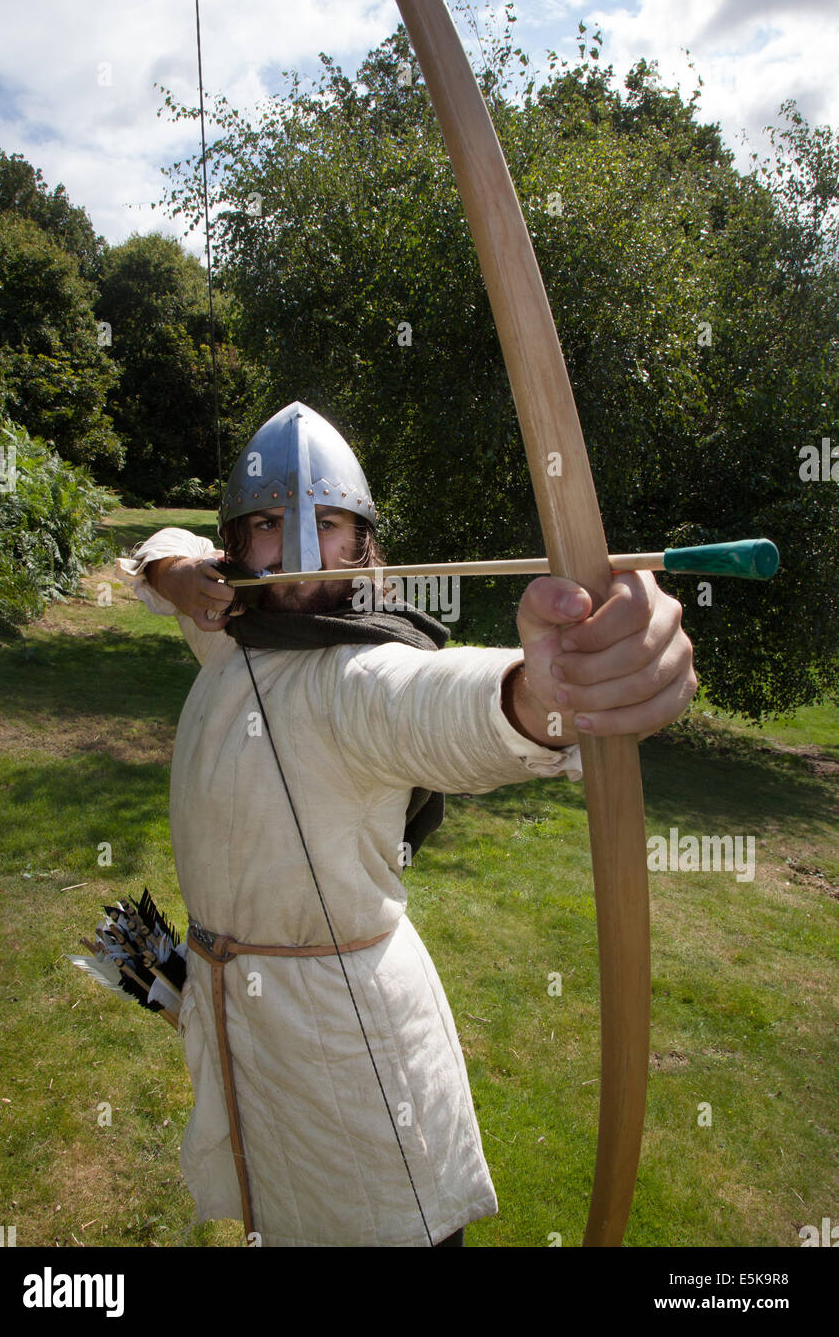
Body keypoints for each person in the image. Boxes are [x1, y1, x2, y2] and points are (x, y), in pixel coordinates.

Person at [116, 401, 696, 1248]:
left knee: (381, 1226)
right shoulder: (231, 633)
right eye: (273, 523)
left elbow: (442, 707)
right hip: (250, 1013)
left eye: (331, 522)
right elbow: (160, 553)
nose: (304, 547)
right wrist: (174, 575)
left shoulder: (359, 674)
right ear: (234, 544)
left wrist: (554, 690)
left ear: (363, 544)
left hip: (347, 1049)